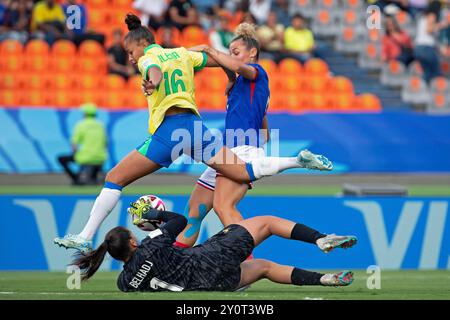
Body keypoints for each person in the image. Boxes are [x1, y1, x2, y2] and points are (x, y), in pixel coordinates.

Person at [54, 13, 332, 254]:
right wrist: (208, 54)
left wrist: (152, 82)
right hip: (196, 130)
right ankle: (297, 161)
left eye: (130, 51)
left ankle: (84, 237)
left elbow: (153, 69)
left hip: (170, 131)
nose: (130, 57)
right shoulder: (182, 54)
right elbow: (218, 62)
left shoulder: (149, 56)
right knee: (242, 173)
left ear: (141, 43)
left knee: (114, 178)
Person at [71, 201, 357, 292]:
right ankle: (320, 238)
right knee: (267, 223)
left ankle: (325, 279)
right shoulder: (150, 245)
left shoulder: (125, 283)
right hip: (211, 258)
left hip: (212, 286)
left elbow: (140, 272)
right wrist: (152, 217)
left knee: (265, 268)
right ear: (133, 240)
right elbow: (180, 219)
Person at [57, 103, 108, 186]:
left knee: (61, 159)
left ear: (84, 114)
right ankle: (92, 177)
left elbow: (74, 144)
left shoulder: (81, 125)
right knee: (92, 180)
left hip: (85, 157)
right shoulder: (100, 125)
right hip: (100, 158)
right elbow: (106, 143)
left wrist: (75, 154)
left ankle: (76, 178)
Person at [414, 0, 447, 83]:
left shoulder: (422, 16)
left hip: (418, 48)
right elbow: (429, 30)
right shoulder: (432, 15)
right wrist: (442, 25)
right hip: (426, 48)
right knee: (437, 74)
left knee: (427, 74)